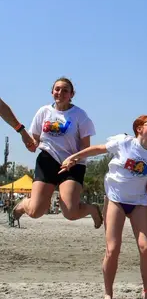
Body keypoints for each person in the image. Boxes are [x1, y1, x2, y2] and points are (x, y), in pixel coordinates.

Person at [59, 115, 147, 299]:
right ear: (138, 128)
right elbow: (98, 149)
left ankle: (146, 292)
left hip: (139, 203)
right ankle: (108, 294)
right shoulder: (124, 142)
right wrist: (75, 157)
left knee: (146, 247)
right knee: (113, 249)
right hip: (115, 200)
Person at [14, 78, 102, 227]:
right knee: (35, 211)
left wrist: (73, 159)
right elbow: (35, 139)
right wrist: (32, 144)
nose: (60, 93)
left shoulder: (80, 115)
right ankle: (24, 204)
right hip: (47, 160)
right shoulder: (43, 111)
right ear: (52, 92)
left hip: (73, 163)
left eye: (65, 90)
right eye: (57, 89)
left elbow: (85, 147)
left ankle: (92, 209)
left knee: (70, 213)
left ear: (71, 94)